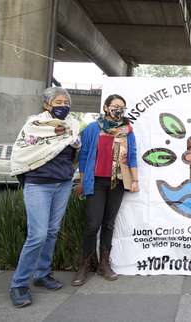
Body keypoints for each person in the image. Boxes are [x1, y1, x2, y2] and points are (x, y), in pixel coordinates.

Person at [9, 87, 80, 308]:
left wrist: (76, 145)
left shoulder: (73, 125)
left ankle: (42, 274)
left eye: (66, 102)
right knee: (37, 235)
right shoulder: (35, 125)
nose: (63, 105)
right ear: (47, 105)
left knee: (51, 232)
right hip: (39, 184)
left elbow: (73, 153)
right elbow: (23, 152)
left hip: (63, 184)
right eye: (58, 102)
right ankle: (19, 284)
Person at [71, 94, 139, 286]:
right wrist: (83, 181)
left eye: (122, 107)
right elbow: (84, 156)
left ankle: (104, 264)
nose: (119, 110)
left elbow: (132, 155)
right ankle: (84, 266)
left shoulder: (127, 130)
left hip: (117, 182)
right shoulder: (93, 128)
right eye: (115, 106)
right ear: (106, 107)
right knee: (93, 224)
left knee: (109, 224)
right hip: (96, 182)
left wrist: (134, 180)